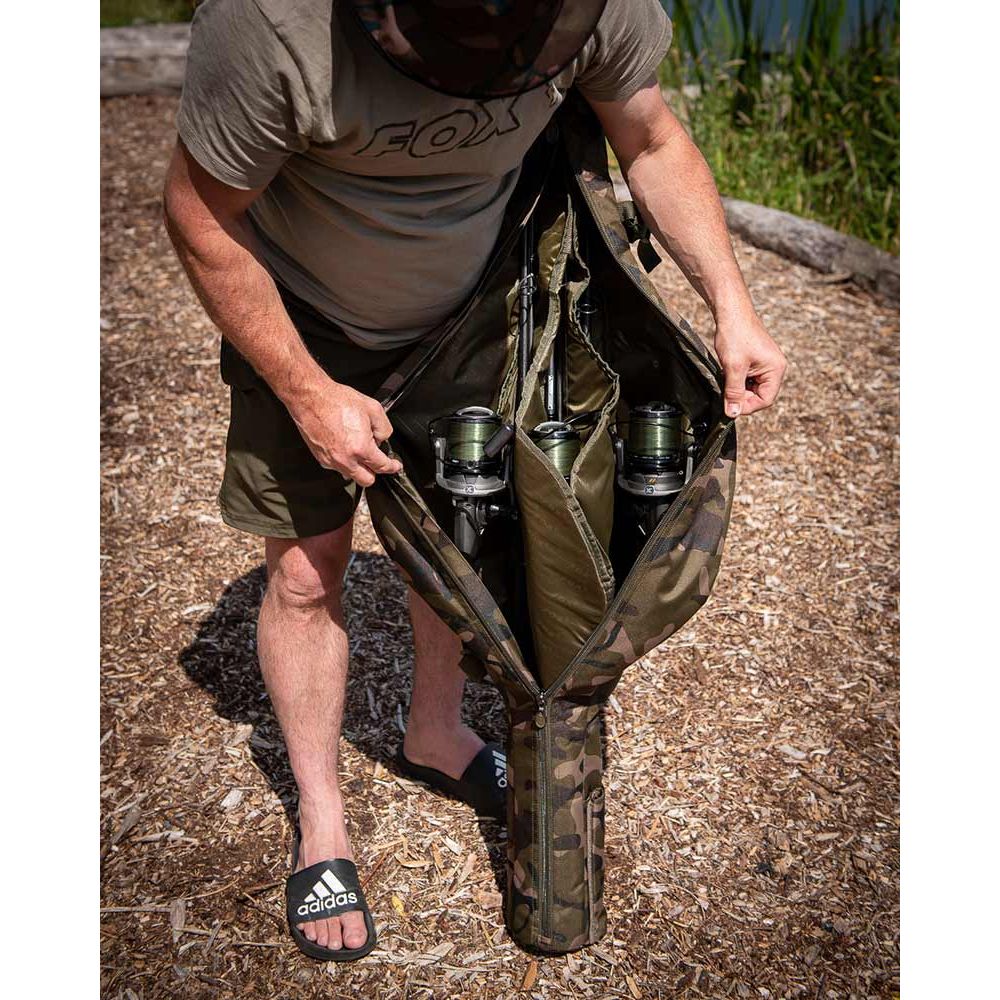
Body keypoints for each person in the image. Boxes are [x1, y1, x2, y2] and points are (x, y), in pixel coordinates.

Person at [163, 0, 787, 962]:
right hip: (304, 322)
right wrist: (306, 391)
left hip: (476, 314)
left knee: (460, 543)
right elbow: (201, 213)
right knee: (306, 573)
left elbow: (651, 137)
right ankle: (322, 825)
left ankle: (436, 733)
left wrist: (731, 306)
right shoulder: (273, 27)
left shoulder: (594, 6)